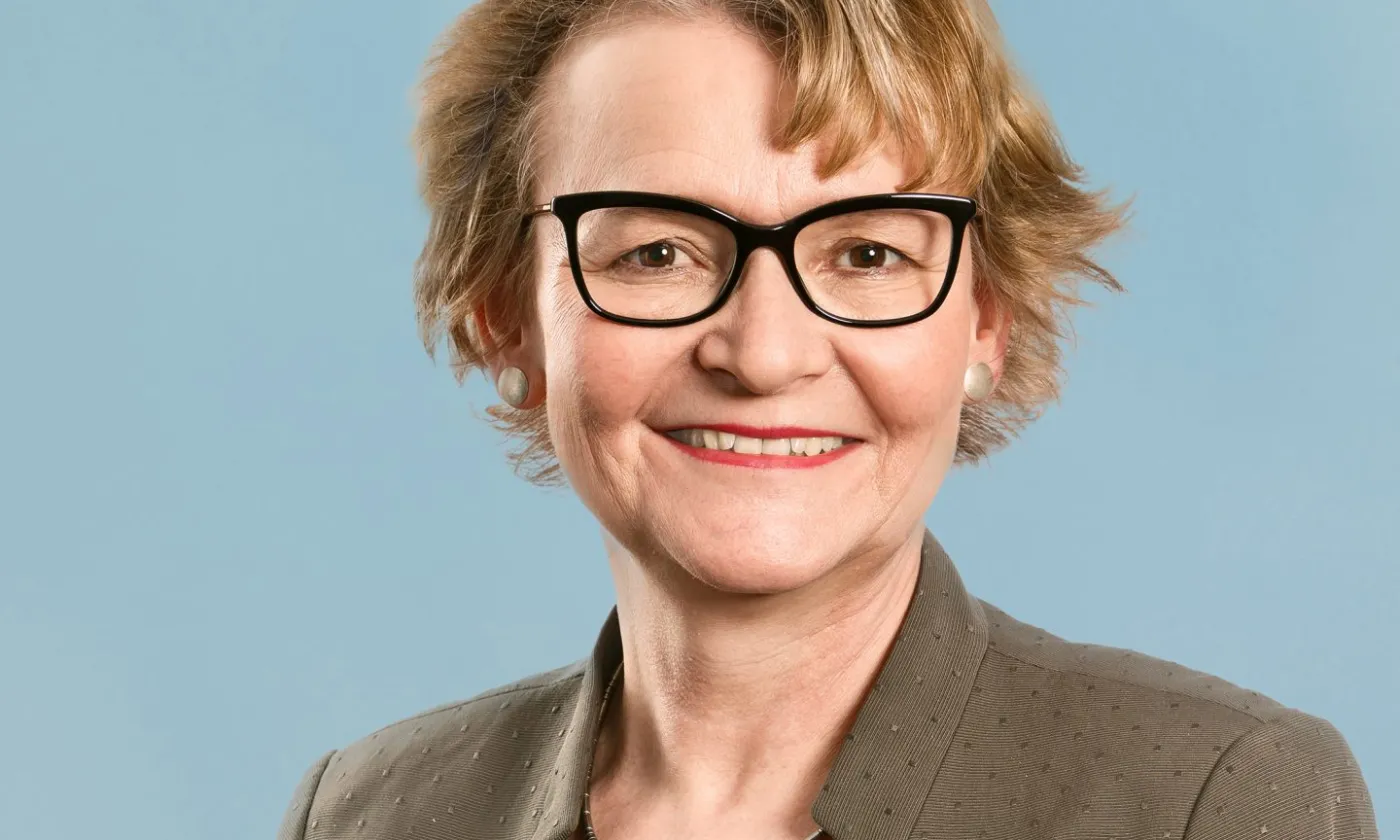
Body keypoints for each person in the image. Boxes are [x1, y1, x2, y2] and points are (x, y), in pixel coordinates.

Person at [276, 1, 1379, 838]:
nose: (764, 354)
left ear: (985, 319)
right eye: (656, 252)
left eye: (868, 253)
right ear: (504, 315)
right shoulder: (366, 815)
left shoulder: (1208, 803)